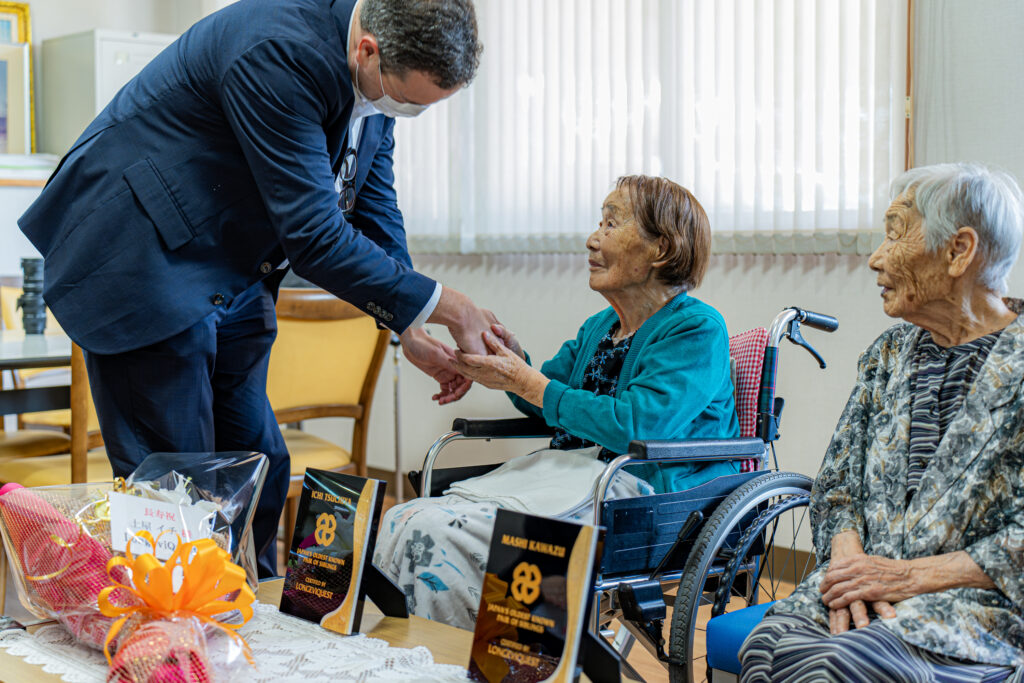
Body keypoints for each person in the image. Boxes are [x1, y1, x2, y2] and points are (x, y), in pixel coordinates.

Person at [17, 0, 494, 578]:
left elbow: (371, 198)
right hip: (143, 257)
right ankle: (181, 638)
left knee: (258, 462)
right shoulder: (278, 49)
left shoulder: (378, 65)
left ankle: (256, 615)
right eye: (410, 102)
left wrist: (410, 323)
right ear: (368, 49)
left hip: (230, 268)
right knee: (176, 486)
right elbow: (315, 237)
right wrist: (451, 305)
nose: (405, 112)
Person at [373, 175, 740, 629]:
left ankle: (467, 664)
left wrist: (528, 383)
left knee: (437, 533)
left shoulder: (697, 329)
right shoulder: (601, 325)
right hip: (575, 479)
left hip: (641, 496)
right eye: (598, 222)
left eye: (611, 223)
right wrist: (507, 363)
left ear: (660, 249)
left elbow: (638, 425)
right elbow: (545, 394)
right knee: (402, 519)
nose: (592, 239)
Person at [740, 163, 1024, 682]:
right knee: (766, 647)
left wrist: (905, 577)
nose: (875, 258)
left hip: (976, 610)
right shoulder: (888, 354)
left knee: (839, 667)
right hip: (867, 590)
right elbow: (839, 482)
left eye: (895, 233)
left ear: (960, 250)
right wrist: (850, 565)